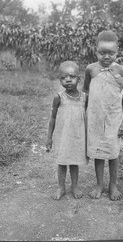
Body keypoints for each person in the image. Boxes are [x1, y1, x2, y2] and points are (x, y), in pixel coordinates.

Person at [83, 30, 123, 201]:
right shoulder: (91, 69)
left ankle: (113, 185)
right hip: (95, 117)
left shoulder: (121, 71)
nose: (106, 56)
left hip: (114, 118)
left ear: (117, 52)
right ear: (96, 51)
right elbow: (86, 91)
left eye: (111, 53)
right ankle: (99, 184)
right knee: (98, 151)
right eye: (102, 52)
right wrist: (83, 112)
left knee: (112, 152)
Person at [46, 61, 88, 200]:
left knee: (75, 162)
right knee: (62, 162)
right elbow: (52, 118)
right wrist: (49, 137)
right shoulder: (59, 97)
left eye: (72, 76)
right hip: (63, 136)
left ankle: (74, 186)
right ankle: (61, 187)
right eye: (63, 77)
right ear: (60, 80)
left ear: (79, 78)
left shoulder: (84, 98)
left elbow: (88, 118)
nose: (68, 80)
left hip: (77, 136)